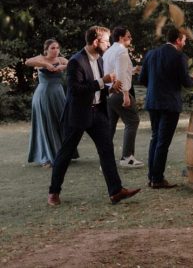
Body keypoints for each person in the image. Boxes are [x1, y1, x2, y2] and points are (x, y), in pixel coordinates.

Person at [47, 26, 141, 206]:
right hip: (78, 114)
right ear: (96, 41)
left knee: (106, 150)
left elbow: (99, 88)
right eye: (106, 41)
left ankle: (116, 191)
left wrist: (110, 88)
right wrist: (102, 82)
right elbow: (76, 90)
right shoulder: (76, 61)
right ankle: (54, 192)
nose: (108, 44)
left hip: (98, 111)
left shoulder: (100, 60)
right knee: (65, 153)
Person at [139, 26, 193, 189]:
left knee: (155, 138)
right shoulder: (179, 57)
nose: (184, 43)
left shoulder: (151, 54)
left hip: (153, 101)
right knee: (163, 142)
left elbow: (142, 79)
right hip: (169, 103)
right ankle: (157, 178)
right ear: (178, 40)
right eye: (184, 40)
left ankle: (152, 176)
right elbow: (186, 82)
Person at [25, 39, 69, 167]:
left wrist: (63, 67)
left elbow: (75, 64)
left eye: (57, 48)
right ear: (46, 50)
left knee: (62, 121)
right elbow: (28, 62)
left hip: (59, 93)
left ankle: (63, 154)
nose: (56, 50)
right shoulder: (41, 58)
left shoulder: (61, 60)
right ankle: (47, 157)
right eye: (52, 48)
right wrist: (45, 65)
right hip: (44, 94)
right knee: (46, 123)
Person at [103, 27, 143, 168]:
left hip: (108, 93)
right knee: (132, 121)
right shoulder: (121, 51)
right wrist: (126, 94)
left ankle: (105, 158)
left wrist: (132, 70)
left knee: (110, 127)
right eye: (129, 36)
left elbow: (113, 71)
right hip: (119, 92)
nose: (131, 38)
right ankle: (127, 157)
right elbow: (120, 75)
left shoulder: (108, 52)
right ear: (121, 37)